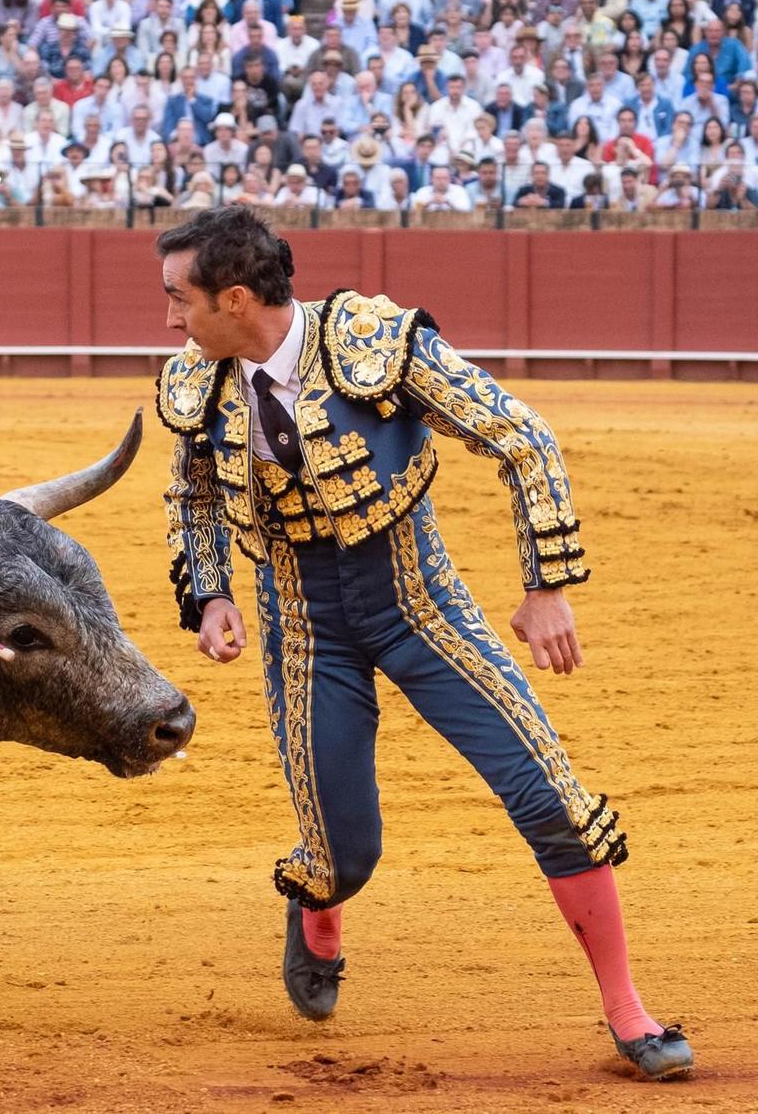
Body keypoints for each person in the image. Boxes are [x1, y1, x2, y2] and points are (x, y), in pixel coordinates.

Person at [154, 207, 690, 1080]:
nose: (170, 318)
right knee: (340, 848)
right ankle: (319, 903)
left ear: (237, 299)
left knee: (546, 791)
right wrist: (209, 590)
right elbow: (194, 497)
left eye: (180, 300)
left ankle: (629, 1010)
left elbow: (522, 434)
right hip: (302, 620)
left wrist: (546, 584)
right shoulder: (196, 381)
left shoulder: (375, 342)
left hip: (418, 603)